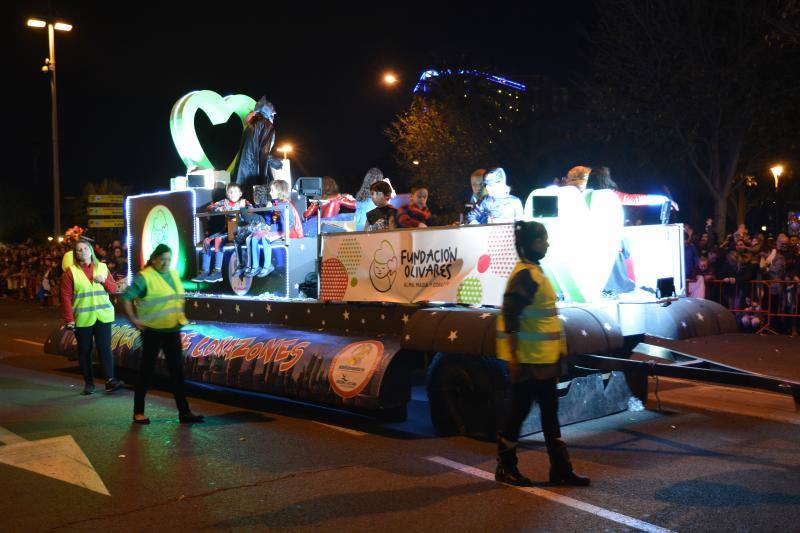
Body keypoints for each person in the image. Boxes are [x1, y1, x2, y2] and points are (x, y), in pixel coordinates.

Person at [495, 221, 590, 487]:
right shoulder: (526, 275)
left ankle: (560, 469)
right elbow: (510, 317)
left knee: (549, 412)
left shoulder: (535, 271)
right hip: (528, 361)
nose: (547, 244)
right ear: (530, 244)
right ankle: (506, 467)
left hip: (543, 360)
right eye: (543, 240)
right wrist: (514, 358)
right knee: (519, 412)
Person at [122, 244, 203, 424]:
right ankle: (138, 412)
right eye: (162, 259)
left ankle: (184, 412)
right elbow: (126, 298)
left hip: (172, 330)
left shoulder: (173, 274)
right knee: (146, 372)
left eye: (169, 259)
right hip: (152, 332)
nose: (166, 263)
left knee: (177, 373)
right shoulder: (145, 277)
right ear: (154, 259)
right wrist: (134, 320)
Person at [61, 239, 123, 395]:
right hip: (83, 317)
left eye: (85, 248)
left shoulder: (102, 267)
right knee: (84, 351)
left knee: (104, 348)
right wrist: (69, 319)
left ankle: (110, 380)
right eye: (79, 250)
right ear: (76, 254)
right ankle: (89, 383)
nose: (83, 252)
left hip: (103, 316)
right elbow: (66, 297)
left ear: (91, 250)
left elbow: (114, 288)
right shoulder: (71, 272)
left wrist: (104, 281)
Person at [193, 183, 252, 283]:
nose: (233, 194)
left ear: (240, 193)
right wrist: (218, 209)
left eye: (235, 192)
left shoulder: (243, 202)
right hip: (227, 230)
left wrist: (243, 210)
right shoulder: (224, 202)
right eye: (230, 192)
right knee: (207, 240)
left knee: (218, 239)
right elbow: (209, 207)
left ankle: (217, 271)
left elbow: (251, 209)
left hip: (239, 230)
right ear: (227, 194)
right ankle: (204, 271)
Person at [244, 179, 304, 277]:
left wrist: (274, 229)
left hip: (283, 230)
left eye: (272, 190)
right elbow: (271, 219)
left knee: (265, 238)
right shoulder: (275, 203)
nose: (270, 192)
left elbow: (289, 223)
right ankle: (254, 266)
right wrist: (269, 210)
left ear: (280, 192)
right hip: (274, 228)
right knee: (254, 239)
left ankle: (267, 266)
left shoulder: (285, 204)